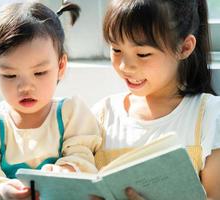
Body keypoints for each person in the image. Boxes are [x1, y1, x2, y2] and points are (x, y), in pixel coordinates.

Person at [0, 1, 102, 200]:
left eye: (40, 72)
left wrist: (67, 170)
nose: (25, 87)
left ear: (61, 66)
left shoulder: (71, 113)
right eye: (10, 75)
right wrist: (0, 190)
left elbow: (83, 156)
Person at [92, 0, 220, 199]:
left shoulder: (209, 116)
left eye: (143, 54)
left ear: (184, 48)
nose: (125, 66)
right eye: (116, 49)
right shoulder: (102, 115)